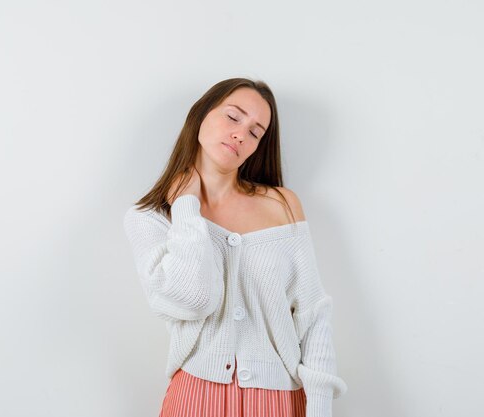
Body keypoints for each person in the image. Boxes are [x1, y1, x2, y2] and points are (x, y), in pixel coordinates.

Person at [122, 77, 347, 417]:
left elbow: (313, 315)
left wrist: (319, 408)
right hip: (194, 398)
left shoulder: (282, 205)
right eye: (233, 116)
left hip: (280, 401)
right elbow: (194, 299)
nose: (241, 134)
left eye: (256, 132)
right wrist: (186, 205)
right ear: (200, 114)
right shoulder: (151, 218)